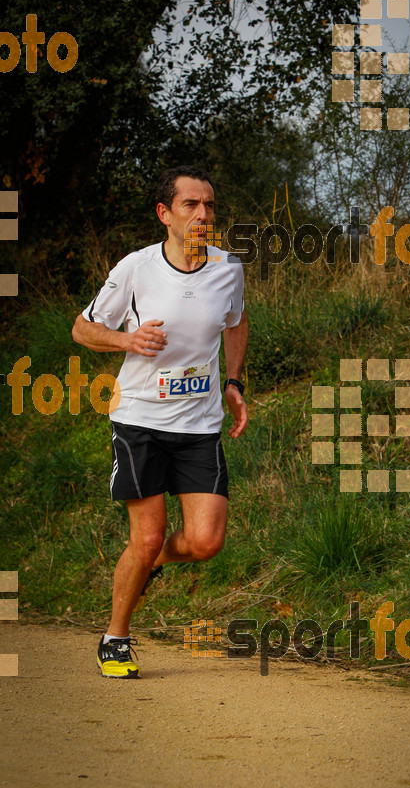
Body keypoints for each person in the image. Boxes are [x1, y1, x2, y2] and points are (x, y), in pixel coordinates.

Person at [72, 165, 248, 678]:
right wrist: (127, 340)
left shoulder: (228, 268)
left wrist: (233, 383)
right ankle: (116, 637)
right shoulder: (136, 268)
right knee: (146, 538)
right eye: (191, 204)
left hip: (198, 424)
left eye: (210, 205)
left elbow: (236, 324)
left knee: (205, 542)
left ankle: (147, 568)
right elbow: (83, 329)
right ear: (164, 213)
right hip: (140, 421)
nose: (203, 214)